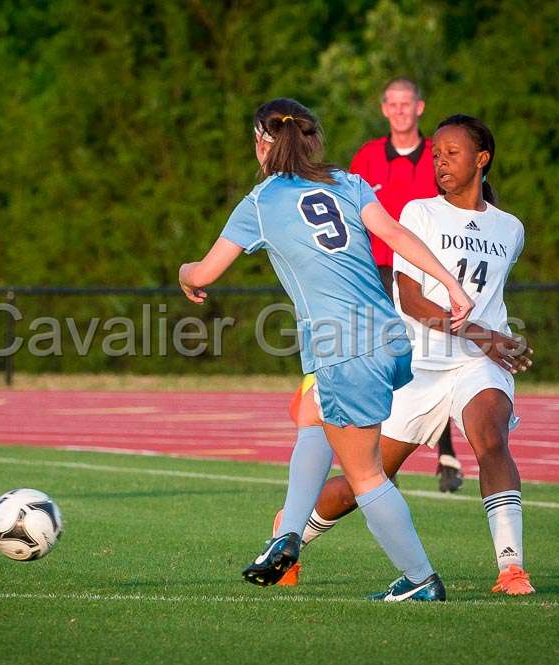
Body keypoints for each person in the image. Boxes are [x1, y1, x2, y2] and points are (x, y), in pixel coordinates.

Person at [178, 98, 473, 601]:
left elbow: (204, 273)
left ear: (261, 142)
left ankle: (423, 581)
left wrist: (184, 274)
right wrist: (452, 284)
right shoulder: (347, 182)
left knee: (365, 474)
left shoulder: (261, 201)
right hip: (388, 337)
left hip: (345, 348)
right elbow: (396, 233)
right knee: (313, 415)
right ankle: (286, 538)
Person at [274, 114, 537, 595]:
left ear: (483, 159)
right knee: (366, 478)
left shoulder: (511, 229)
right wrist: (486, 335)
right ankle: (288, 542)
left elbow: (492, 297)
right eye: (435, 154)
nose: (440, 162)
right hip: (420, 365)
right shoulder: (418, 213)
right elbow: (412, 301)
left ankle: (511, 568)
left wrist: (498, 341)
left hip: (480, 362)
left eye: (452, 153)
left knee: (491, 439)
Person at [290, 77, 465, 494]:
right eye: (393, 104)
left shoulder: (437, 156)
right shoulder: (368, 157)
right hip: (378, 274)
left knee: (433, 356)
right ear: (385, 109)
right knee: (383, 359)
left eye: (408, 103)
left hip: (424, 273)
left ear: (419, 107)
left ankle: (445, 452)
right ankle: (384, 458)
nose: (401, 110)